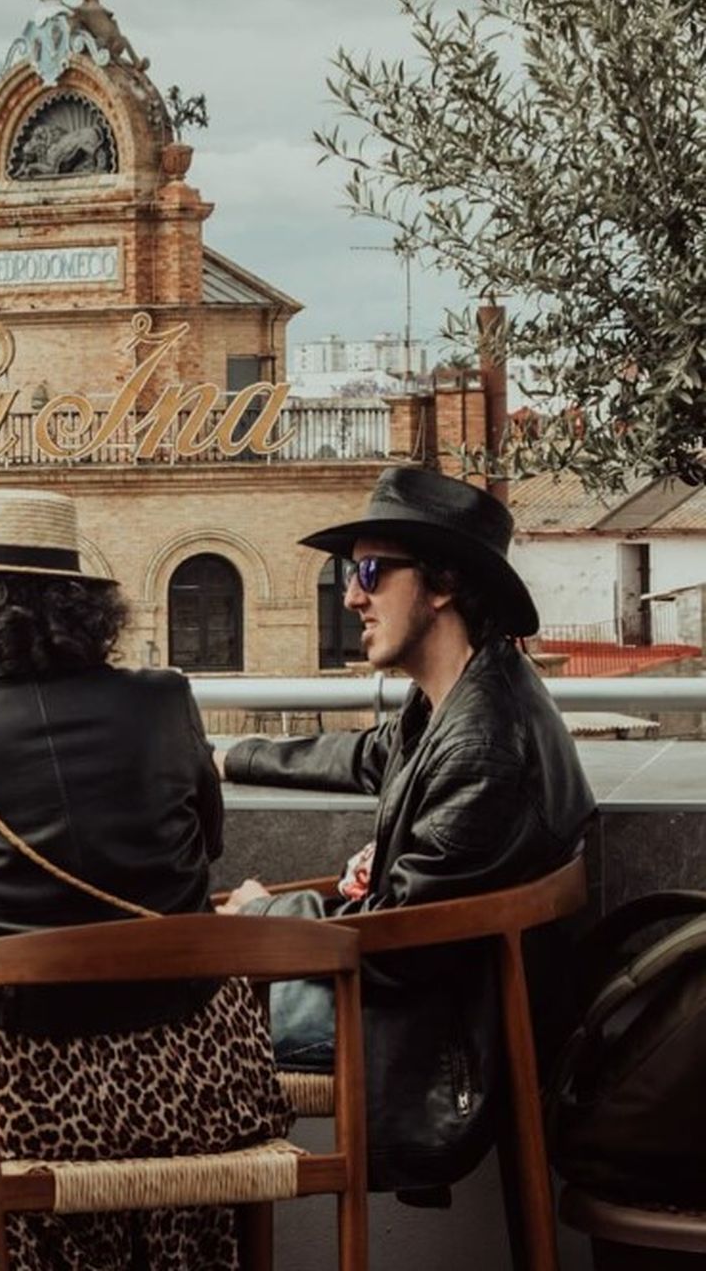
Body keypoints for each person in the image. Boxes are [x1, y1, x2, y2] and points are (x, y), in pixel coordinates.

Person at [0, 488, 291, 1270]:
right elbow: (210, 846)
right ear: (84, 608)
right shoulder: (166, 699)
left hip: (14, 1099)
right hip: (198, 1076)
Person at [215, 465, 596, 1191]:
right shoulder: (471, 692)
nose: (351, 595)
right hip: (443, 999)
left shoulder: (483, 742)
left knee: (173, 1024)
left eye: (370, 570)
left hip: (435, 1027)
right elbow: (372, 754)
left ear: (442, 585)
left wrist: (266, 917)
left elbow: (401, 942)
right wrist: (229, 756)